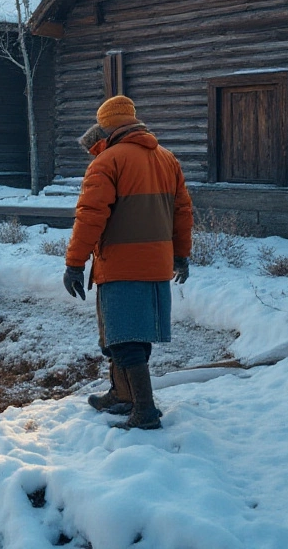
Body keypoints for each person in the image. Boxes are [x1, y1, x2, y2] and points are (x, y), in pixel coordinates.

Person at [63, 95, 192, 430]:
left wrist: (74, 264)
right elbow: (183, 213)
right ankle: (122, 395)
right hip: (157, 263)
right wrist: (181, 255)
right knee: (134, 334)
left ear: (105, 126)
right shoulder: (167, 159)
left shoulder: (107, 161)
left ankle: (144, 411)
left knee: (123, 339)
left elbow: (90, 217)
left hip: (122, 263)